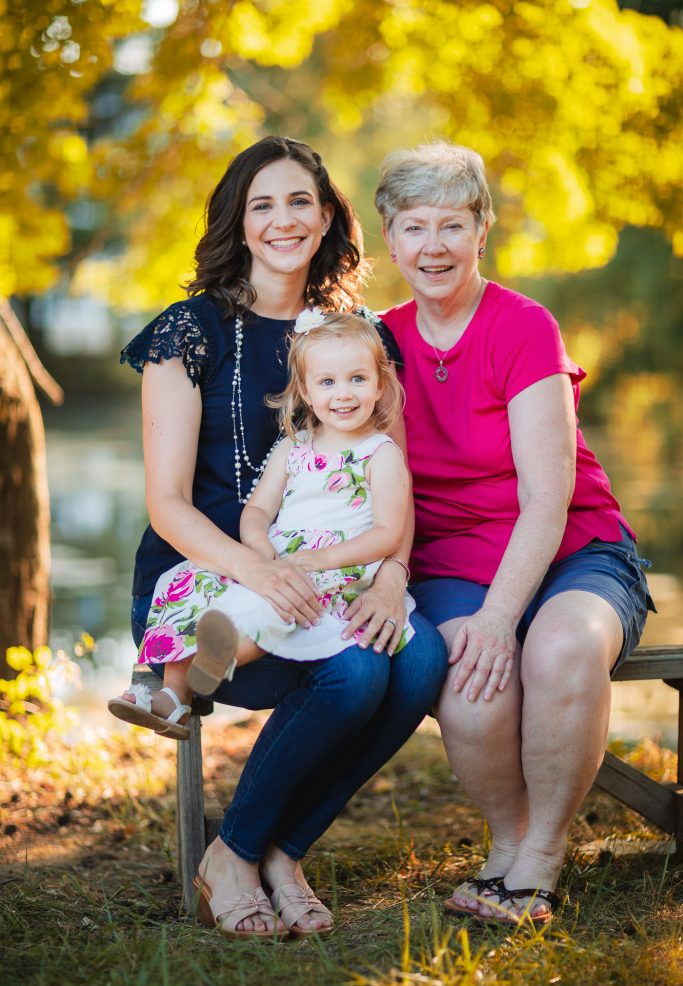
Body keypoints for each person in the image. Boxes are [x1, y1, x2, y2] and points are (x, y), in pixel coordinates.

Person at [109, 136, 447, 940]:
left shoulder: (359, 338)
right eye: (262, 204)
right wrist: (261, 570)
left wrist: (394, 573)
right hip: (211, 586)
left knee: (421, 656)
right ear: (239, 220)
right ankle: (238, 852)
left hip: (336, 572)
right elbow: (168, 505)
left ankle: (273, 850)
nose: (283, 220)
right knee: (357, 677)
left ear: (328, 215)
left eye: (300, 200)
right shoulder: (186, 333)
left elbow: (389, 477)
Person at [374, 140, 654, 925]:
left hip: (571, 550)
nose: (433, 246)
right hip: (450, 560)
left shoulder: (523, 326)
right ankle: (508, 839)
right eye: (414, 227)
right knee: (470, 688)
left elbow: (548, 497)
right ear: (389, 240)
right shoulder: (380, 342)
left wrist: (502, 616)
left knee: (557, 648)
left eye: (452, 225)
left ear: (481, 230)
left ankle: (540, 857)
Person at [110, 309, 416, 707]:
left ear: (380, 385)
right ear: (306, 391)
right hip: (278, 554)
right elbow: (258, 509)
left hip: (339, 563)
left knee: (275, 604)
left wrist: (321, 559)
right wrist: (258, 546)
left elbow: (388, 533)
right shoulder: (293, 446)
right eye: (327, 382)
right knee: (194, 580)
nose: (344, 393)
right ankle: (172, 695)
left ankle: (222, 657)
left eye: (358, 379)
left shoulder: (380, 453)